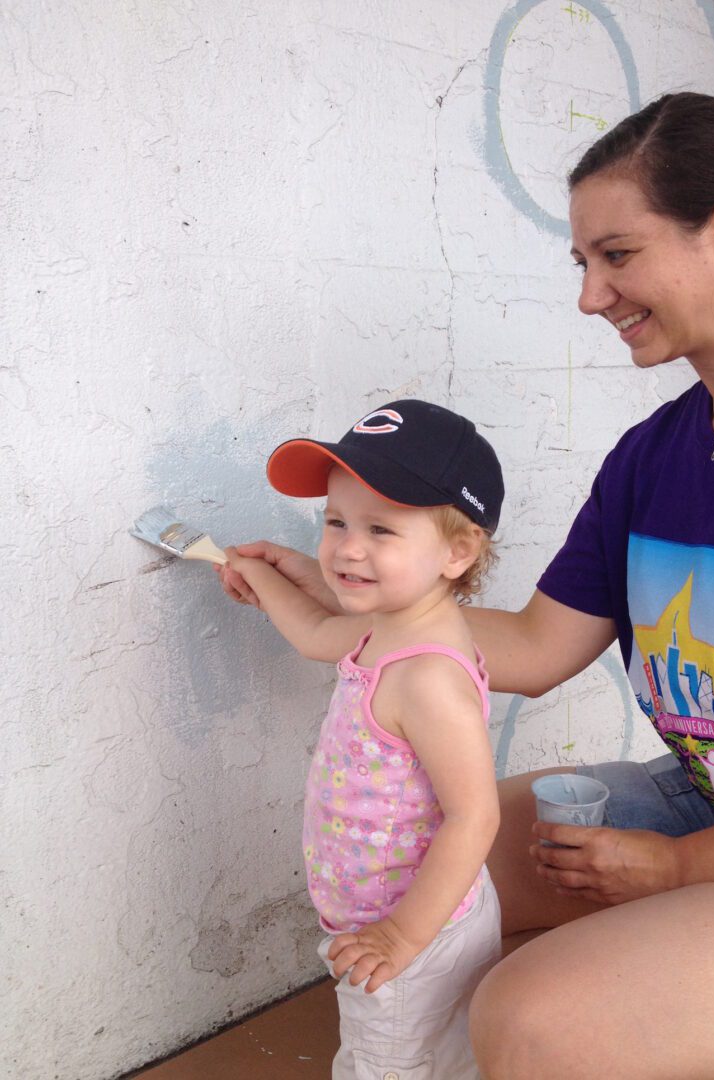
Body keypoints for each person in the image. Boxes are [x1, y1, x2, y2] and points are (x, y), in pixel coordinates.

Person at [220, 91, 714, 1077]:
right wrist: (347, 601)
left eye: (616, 255)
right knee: (431, 869)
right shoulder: (651, 457)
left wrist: (678, 869)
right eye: (582, 263)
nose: (590, 295)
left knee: (537, 1021)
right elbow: (536, 648)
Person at [219, 399, 505, 1079]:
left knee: (385, 1066)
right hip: (395, 920)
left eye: (380, 529)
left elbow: (476, 814)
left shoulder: (427, 676)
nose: (347, 547)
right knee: (438, 1059)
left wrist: (401, 937)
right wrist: (269, 573)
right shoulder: (395, 626)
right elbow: (318, 635)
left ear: (458, 551)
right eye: (336, 521)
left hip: (411, 931)